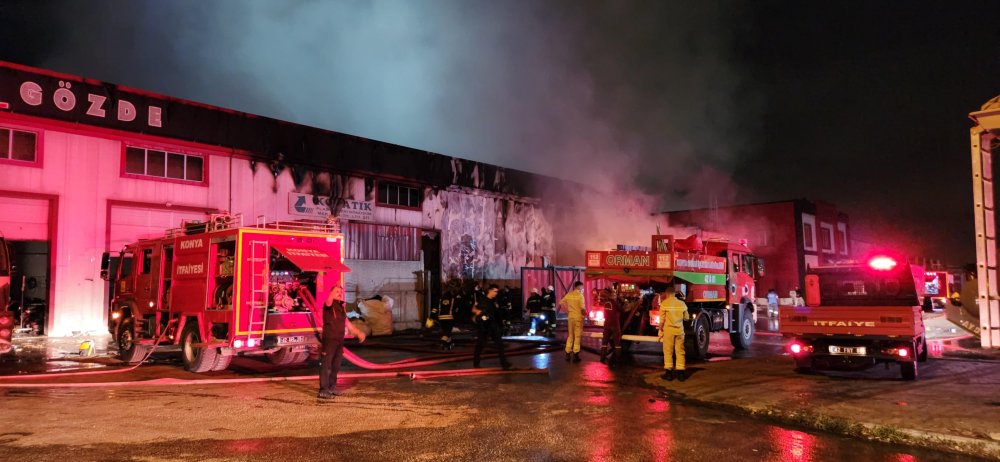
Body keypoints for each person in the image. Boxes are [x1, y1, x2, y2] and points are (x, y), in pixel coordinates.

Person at [319, 285, 367, 399]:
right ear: (331, 293)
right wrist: (334, 289)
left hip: (339, 340)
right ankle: (323, 390)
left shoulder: (341, 307)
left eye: (341, 292)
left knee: (335, 365)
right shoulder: (328, 305)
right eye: (337, 292)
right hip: (329, 340)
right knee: (326, 365)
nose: (339, 293)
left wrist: (358, 333)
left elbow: (347, 324)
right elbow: (329, 298)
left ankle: (331, 387)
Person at [471, 284, 512, 369]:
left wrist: (500, 324)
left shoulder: (494, 301)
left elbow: (497, 314)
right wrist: (478, 313)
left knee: (500, 344)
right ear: (489, 290)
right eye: (495, 291)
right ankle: (476, 363)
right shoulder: (483, 300)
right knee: (480, 345)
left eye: (497, 291)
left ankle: (504, 364)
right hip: (484, 326)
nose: (496, 293)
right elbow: (474, 310)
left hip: (493, 325)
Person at [659, 283, 690, 381]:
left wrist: (660, 330)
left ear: (667, 294)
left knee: (668, 352)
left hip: (669, 331)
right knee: (680, 351)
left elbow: (662, 320)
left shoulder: (664, 304)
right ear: (675, 294)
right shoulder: (682, 304)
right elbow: (686, 318)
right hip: (679, 331)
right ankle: (681, 374)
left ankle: (669, 374)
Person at [559, 281, 586, 363]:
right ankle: (575, 354)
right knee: (577, 336)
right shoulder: (580, 296)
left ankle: (567, 352)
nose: (582, 288)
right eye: (582, 287)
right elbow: (582, 309)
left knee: (570, 335)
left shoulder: (569, 294)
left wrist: (567, 311)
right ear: (579, 286)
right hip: (578, 318)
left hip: (570, 317)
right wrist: (585, 315)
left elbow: (561, 302)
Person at [598, 288, 624, 367]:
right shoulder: (614, 303)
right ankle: (618, 359)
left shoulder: (606, 303)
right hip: (615, 325)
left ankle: (602, 358)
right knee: (617, 343)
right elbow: (622, 310)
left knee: (604, 342)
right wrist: (622, 303)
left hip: (607, 324)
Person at [429, 283, 458, 350]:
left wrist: (432, 316)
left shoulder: (441, 299)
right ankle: (442, 341)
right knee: (447, 333)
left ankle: (448, 344)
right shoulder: (453, 298)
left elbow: (435, 308)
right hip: (449, 318)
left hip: (441, 318)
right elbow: (455, 308)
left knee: (446, 331)